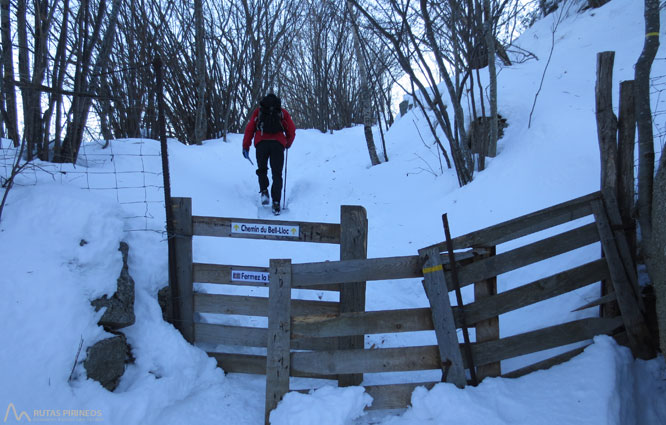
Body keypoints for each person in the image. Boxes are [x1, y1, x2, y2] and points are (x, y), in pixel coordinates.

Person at [242, 93, 296, 215]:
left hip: (261, 143)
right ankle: (276, 202)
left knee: (262, 169)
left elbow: (250, 128)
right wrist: (287, 143)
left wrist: (246, 146)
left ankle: (264, 191)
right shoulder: (282, 112)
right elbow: (291, 130)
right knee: (277, 173)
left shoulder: (259, 112)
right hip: (277, 144)